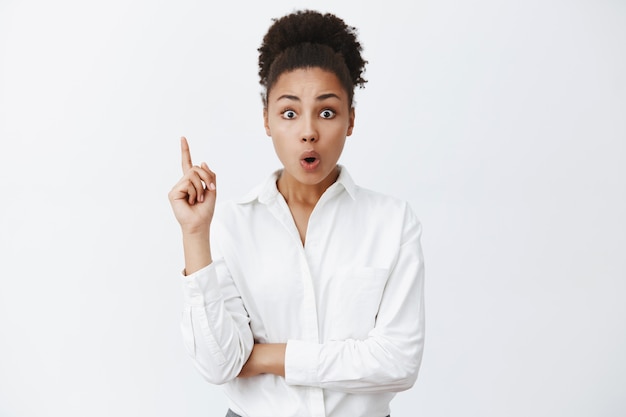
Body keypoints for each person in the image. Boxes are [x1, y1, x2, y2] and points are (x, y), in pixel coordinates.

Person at [168, 9, 425, 417]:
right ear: (267, 120)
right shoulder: (232, 224)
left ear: (351, 120)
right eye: (289, 113)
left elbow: (399, 363)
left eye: (327, 112)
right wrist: (195, 234)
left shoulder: (392, 222)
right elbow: (219, 365)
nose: (308, 131)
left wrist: (270, 358)